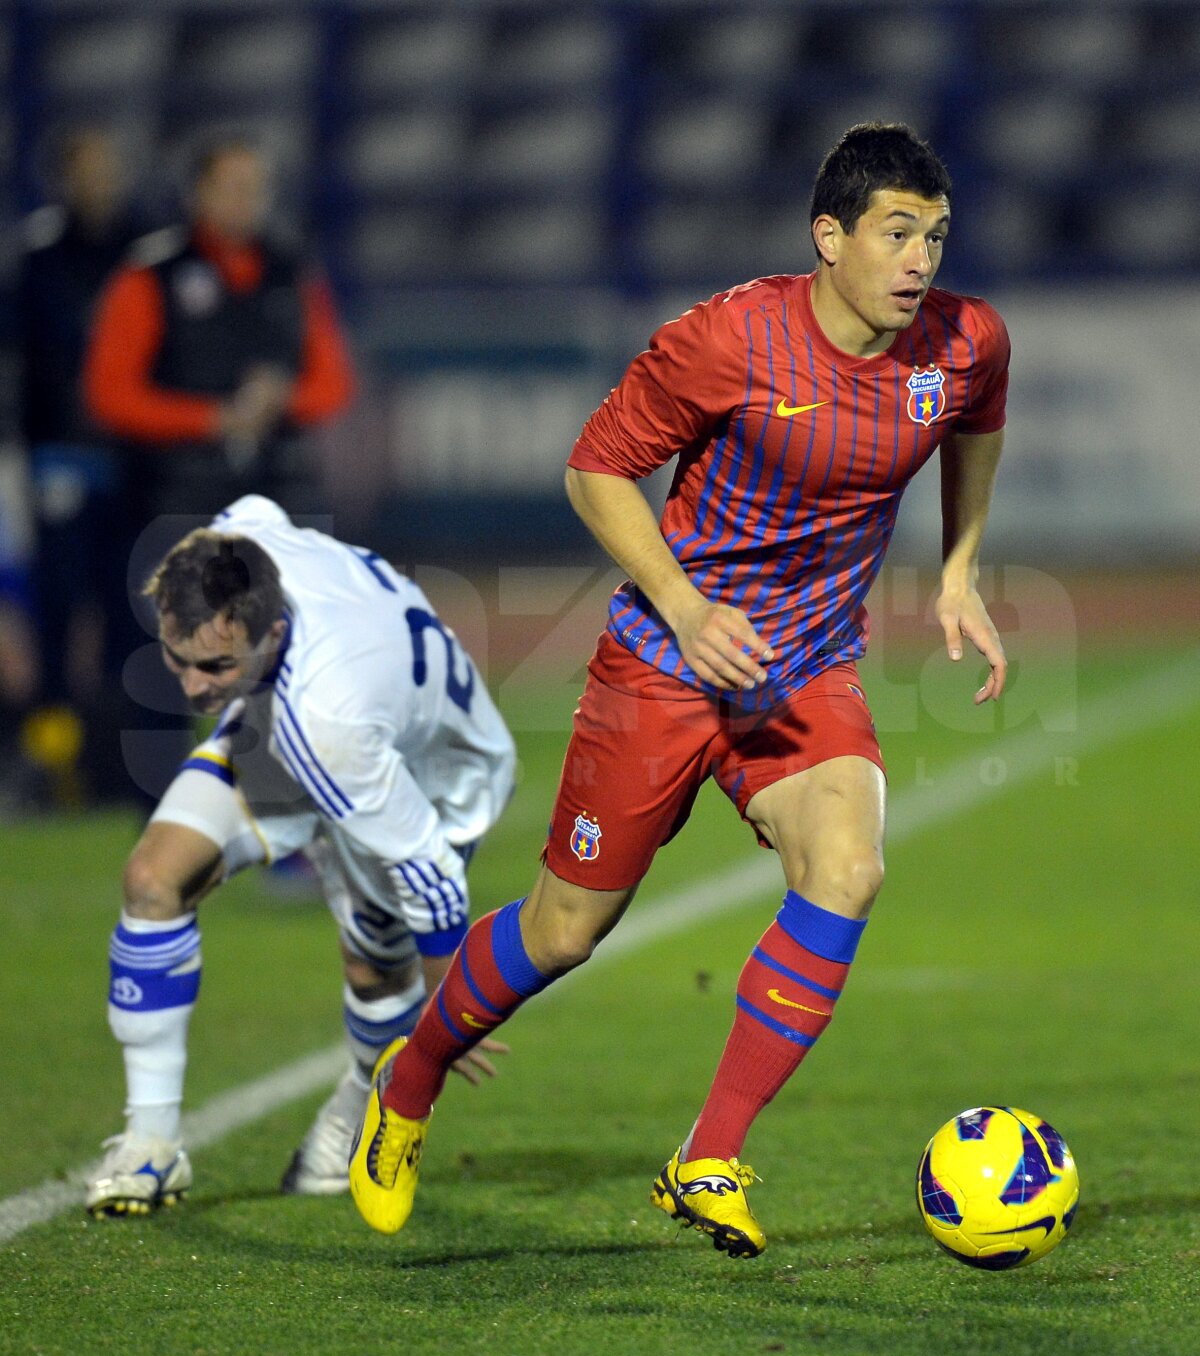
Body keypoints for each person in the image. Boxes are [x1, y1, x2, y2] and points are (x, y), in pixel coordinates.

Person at [347, 122, 1011, 1257]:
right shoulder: (727, 340)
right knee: (564, 932)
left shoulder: (964, 343)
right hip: (662, 668)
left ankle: (708, 1155)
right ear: (829, 236)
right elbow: (594, 467)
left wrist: (959, 569)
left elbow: (977, 422)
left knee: (847, 867)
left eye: (935, 236)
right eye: (897, 233)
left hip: (802, 671)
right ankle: (409, 1079)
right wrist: (688, 608)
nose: (919, 261)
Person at [84, 495, 516, 1216]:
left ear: (273, 631)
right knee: (153, 879)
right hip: (286, 720)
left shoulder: (330, 721)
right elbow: (253, 507)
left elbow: (430, 873)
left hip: (432, 776)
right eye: (176, 657)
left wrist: (451, 1013)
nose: (191, 686)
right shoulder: (238, 549)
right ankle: (152, 1143)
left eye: (214, 664)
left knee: (374, 971)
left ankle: (355, 1107)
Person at [82, 135, 356, 805]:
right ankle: (164, 815)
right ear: (198, 193)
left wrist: (279, 403)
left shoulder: (291, 270)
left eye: (254, 186)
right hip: (181, 492)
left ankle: (283, 814)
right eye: (231, 185)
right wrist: (208, 419)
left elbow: (332, 381)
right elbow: (109, 392)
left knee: (293, 656)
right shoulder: (153, 274)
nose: (246, 200)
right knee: (170, 664)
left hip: (278, 488)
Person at [17, 127, 146, 802]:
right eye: (86, 170)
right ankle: (50, 755)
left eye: (108, 168)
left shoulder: (145, 250)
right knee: (59, 612)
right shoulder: (38, 255)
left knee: (132, 609)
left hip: (129, 456)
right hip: (61, 454)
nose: (100, 183)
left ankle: (118, 757)